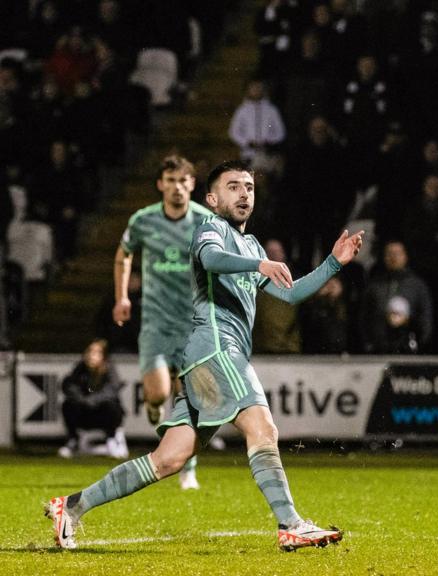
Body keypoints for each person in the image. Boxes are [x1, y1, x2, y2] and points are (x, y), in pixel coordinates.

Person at [47, 160, 364, 551]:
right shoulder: (210, 229)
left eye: (248, 186)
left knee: (168, 460)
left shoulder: (251, 245)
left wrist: (334, 262)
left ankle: (72, 507)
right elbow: (211, 259)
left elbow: (290, 293)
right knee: (263, 430)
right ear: (213, 199)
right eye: (233, 187)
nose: (244, 193)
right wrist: (259, 263)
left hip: (205, 357)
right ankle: (291, 524)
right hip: (217, 347)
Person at [114, 155, 213, 490]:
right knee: (158, 393)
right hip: (156, 322)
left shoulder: (205, 220)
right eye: (170, 181)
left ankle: (189, 468)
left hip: (193, 324)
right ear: (160, 184)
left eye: (183, 181)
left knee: (190, 398)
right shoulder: (143, 220)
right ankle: (155, 409)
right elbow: (123, 254)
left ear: (192, 185)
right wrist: (122, 297)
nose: (176, 188)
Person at [359, 240, 433, 354]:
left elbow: (425, 317)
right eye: (389, 253)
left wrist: (410, 325)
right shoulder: (374, 286)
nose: (393, 257)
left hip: (409, 350)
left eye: (397, 253)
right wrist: (369, 344)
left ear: (405, 256)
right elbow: (365, 318)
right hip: (379, 350)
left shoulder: (417, 285)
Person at [58, 339, 128, 460]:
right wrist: (83, 400)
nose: (91, 356)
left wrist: (93, 400)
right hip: (85, 414)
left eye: (96, 353)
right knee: (67, 405)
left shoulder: (109, 369)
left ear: (103, 356)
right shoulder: (80, 369)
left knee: (112, 407)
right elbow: (68, 385)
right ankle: (73, 441)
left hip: (103, 416)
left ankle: (112, 440)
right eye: (89, 352)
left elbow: (112, 389)